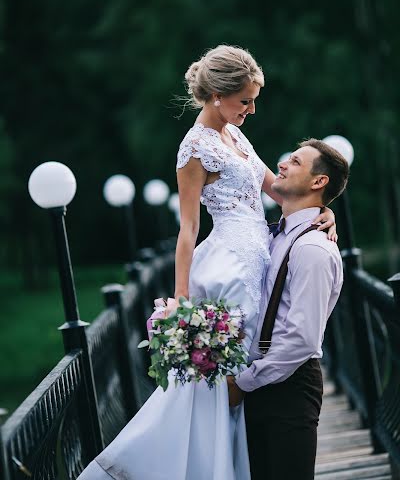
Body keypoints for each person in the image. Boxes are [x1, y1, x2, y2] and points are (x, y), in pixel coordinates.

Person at [77, 46, 336, 480]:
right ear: (217, 94)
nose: (251, 109)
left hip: (261, 253)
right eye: (245, 101)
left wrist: (323, 211)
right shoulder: (193, 149)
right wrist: (180, 300)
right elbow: (187, 230)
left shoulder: (237, 137)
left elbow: (279, 192)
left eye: (253, 100)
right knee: (223, 381)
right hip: (230, 265)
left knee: (251, 360)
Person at [227, 138, 349, 480]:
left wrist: (244, 382)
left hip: (289, 384)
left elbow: (302, 338)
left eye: (295, 161)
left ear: (318, 181)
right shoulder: (274, 237)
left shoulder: (313, 249)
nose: (282, 164)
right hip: (261, 379)